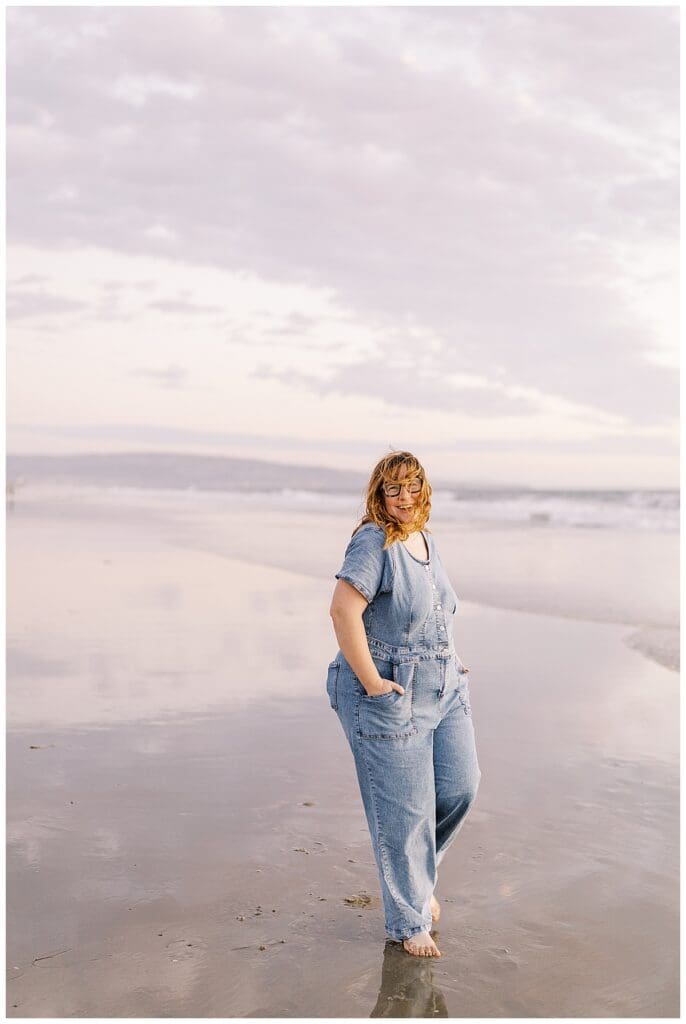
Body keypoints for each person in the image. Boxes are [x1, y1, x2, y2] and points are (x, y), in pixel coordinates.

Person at [327, 450, 481, 958]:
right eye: (394, 489)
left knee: (461, 787)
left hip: (446, 688)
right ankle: (407, 920)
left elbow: (437, 613)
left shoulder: (427, 541)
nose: (405, 497)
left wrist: (454, 661)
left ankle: (417, 879)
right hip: (390, 692)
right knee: (404, 813)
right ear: (380, 494)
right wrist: (372, 684)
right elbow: (343, 611)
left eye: (413, 485)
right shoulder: (373, 542)